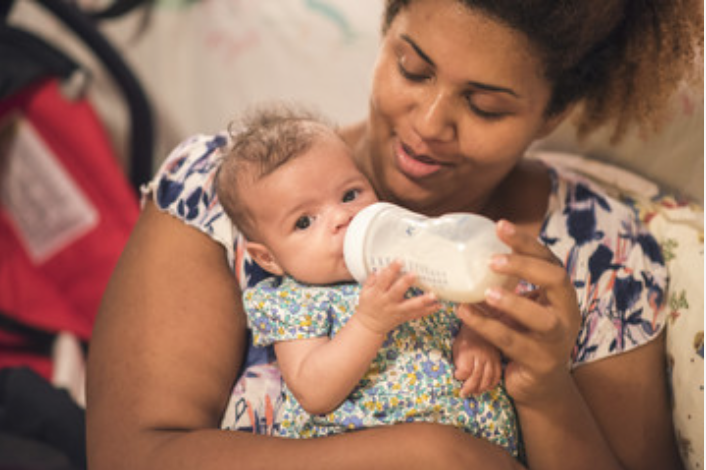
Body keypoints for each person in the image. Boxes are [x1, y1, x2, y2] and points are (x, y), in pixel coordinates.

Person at [86, 1, 702, 469]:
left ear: (552, 116)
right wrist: (435, 455)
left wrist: (544, 389)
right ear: (387, 30)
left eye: (485, 106)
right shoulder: (234, 194)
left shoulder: (599, 252)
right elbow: (131, 455)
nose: (430, 125)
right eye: (413, 69)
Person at [214, 104, 516, 453]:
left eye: (349, 195)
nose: (342, 217)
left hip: (480, 447)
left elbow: (480, 283)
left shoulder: (407, 253)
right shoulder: (296, 301)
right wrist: (369, 323)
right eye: (304, 221)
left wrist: (477, 332)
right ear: (269, 258)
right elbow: (313, 391)